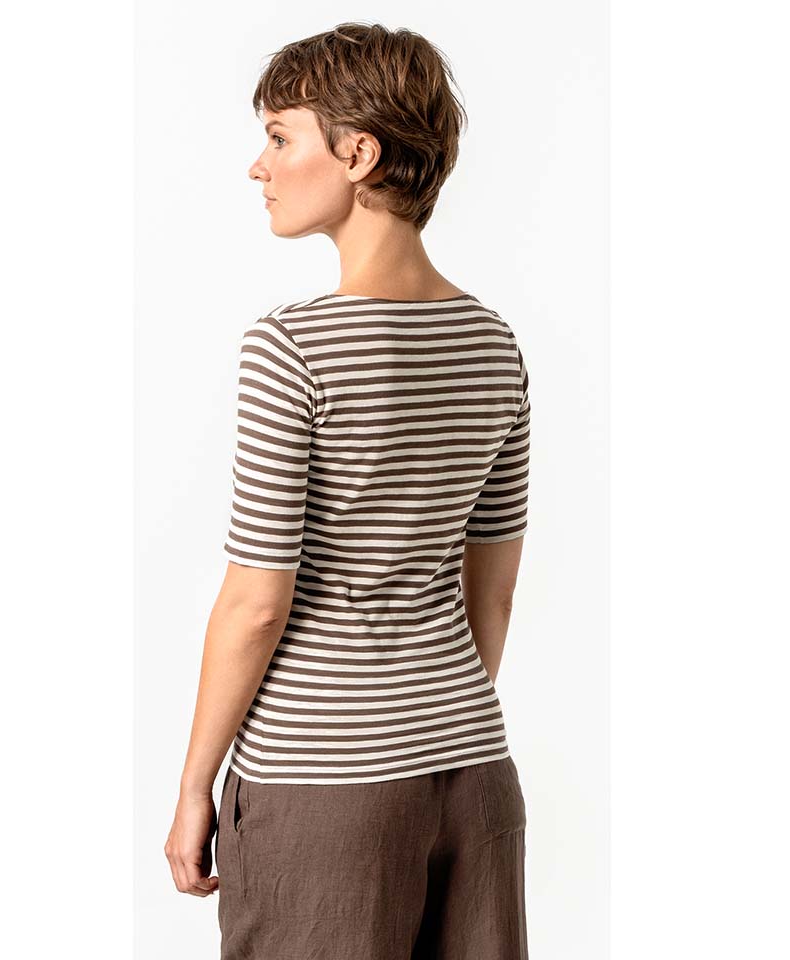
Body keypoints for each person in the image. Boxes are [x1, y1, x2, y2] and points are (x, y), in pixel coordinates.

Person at [165, 22, 532, 959]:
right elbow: (490, 590)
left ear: (358, 154)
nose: (259, 166)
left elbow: (256, 602)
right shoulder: (494, 346)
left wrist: (195, 787)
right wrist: (425, 721)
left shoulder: (293, 348)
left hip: (320, 786)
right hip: (473, 772)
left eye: (280, 136)